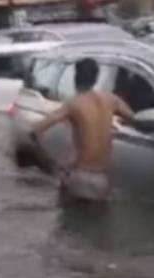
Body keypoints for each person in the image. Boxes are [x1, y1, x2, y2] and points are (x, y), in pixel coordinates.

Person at [30, 58, 135, 204]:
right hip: (102, 180)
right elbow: (135, 120)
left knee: (67, 223)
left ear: (75, 77)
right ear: (96, 78)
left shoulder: (73, 103)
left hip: (79, 176)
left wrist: (53, 164)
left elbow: (35, 130)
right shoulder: (112, 100)